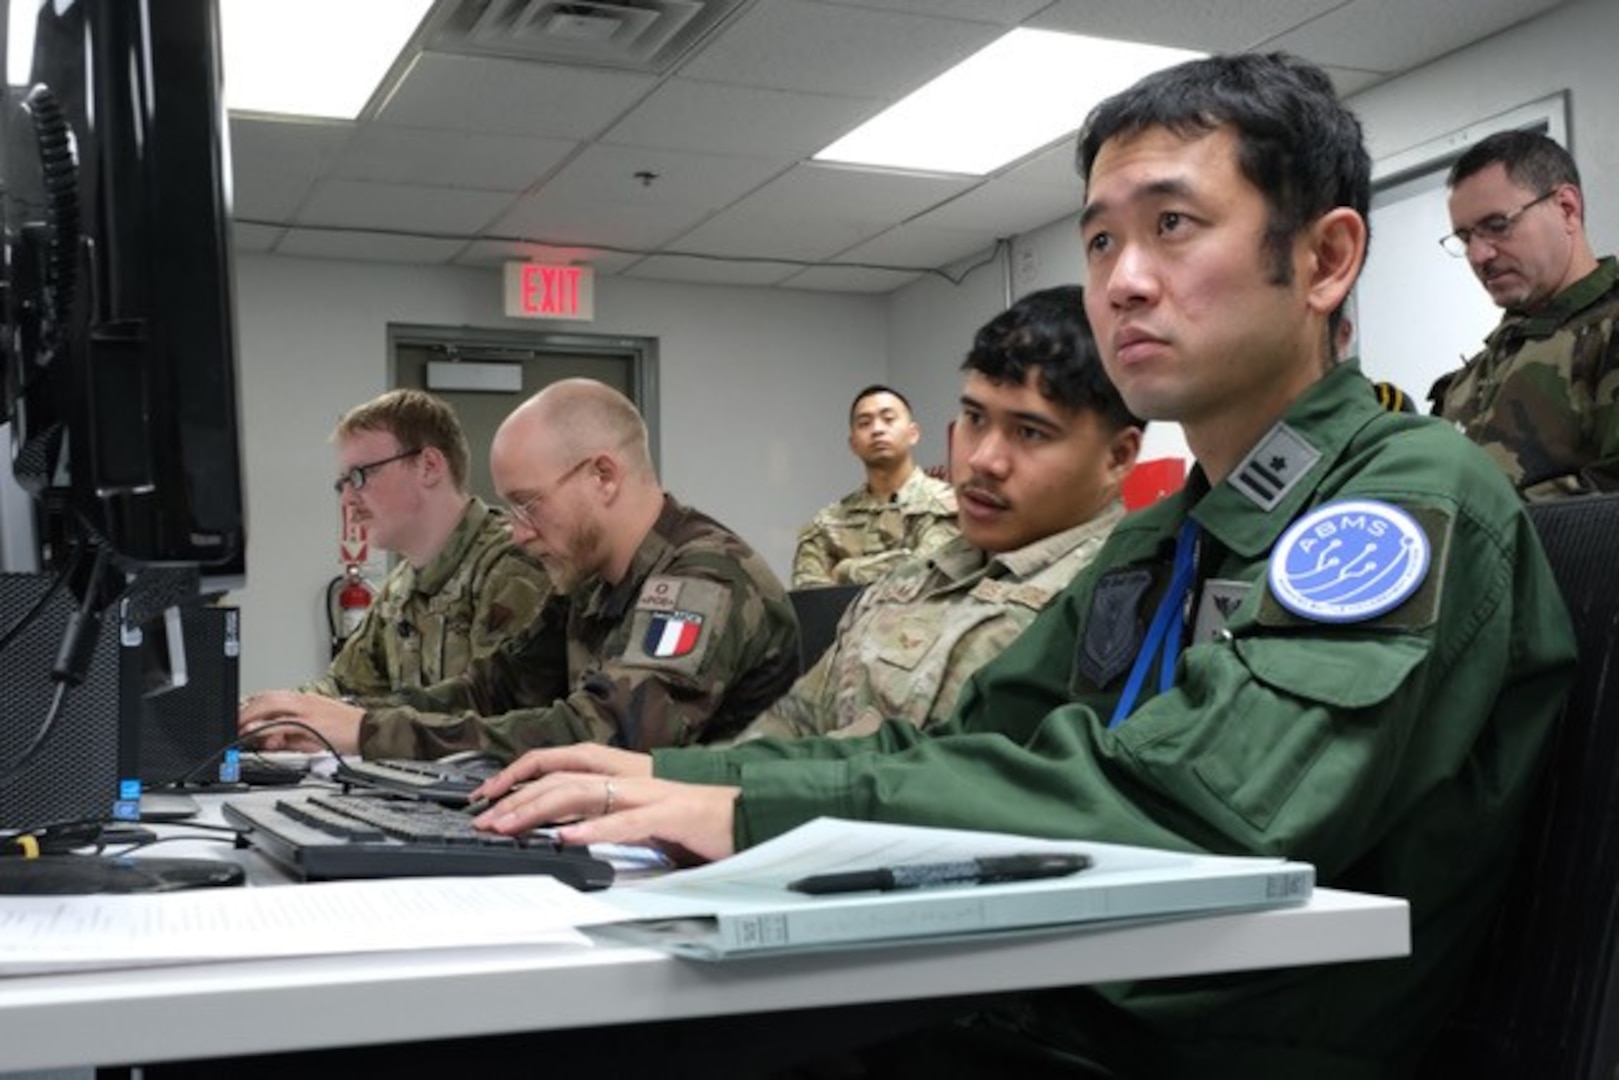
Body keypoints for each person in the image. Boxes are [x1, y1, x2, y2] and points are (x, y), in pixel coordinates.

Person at [468, 53, 1577, 1078]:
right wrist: (680, 781)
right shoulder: (1165, 536)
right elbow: (976, 747)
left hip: (1202, 1043)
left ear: (1325, 259)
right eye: (1098, 241)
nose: (1122, 282)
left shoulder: (1400, 500)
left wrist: (749, 812)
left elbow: (1201, 810)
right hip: (1056, 1000)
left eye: (1173, 226)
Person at [240, 378, 800, 760]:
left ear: (602, 476)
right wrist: (333, 717)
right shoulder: (590, 579)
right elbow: (495, 690)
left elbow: (607, 736)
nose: (516, 529)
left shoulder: (703, 579)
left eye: (528, 504)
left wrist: (367, 732)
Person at [730, 285, 1142, 743]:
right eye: (975, 418)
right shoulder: (910, 581)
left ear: (1118, 457)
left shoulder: (1125, 598)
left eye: (1029, 432)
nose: (984, 459)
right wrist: (687, 784)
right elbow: (791, 725)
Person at [303, 388, 552, 697]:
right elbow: (341, 688)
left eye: (359, 476)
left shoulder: (510, 568)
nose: (348, 499)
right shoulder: (400, 589)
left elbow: (494, 712)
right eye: (342, 484)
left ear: (429, 466)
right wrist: (271, 715)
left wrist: (358, 721)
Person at [1430, 129, 1619, 498]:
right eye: (1466, 238)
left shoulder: (1607, 334)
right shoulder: (1472, 377)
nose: (1479, 255)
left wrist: (1481, 528)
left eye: (1497, 226)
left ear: (1567, 208)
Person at [790, 385, 959, 587]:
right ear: (853, 444)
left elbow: (932, 570)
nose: (877, 429)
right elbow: (810, 595)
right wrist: (902, 559)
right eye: (865, 423)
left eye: (888, 419)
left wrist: (845, 570)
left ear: (913, 433)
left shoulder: (948, 505)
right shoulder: (828, 523)